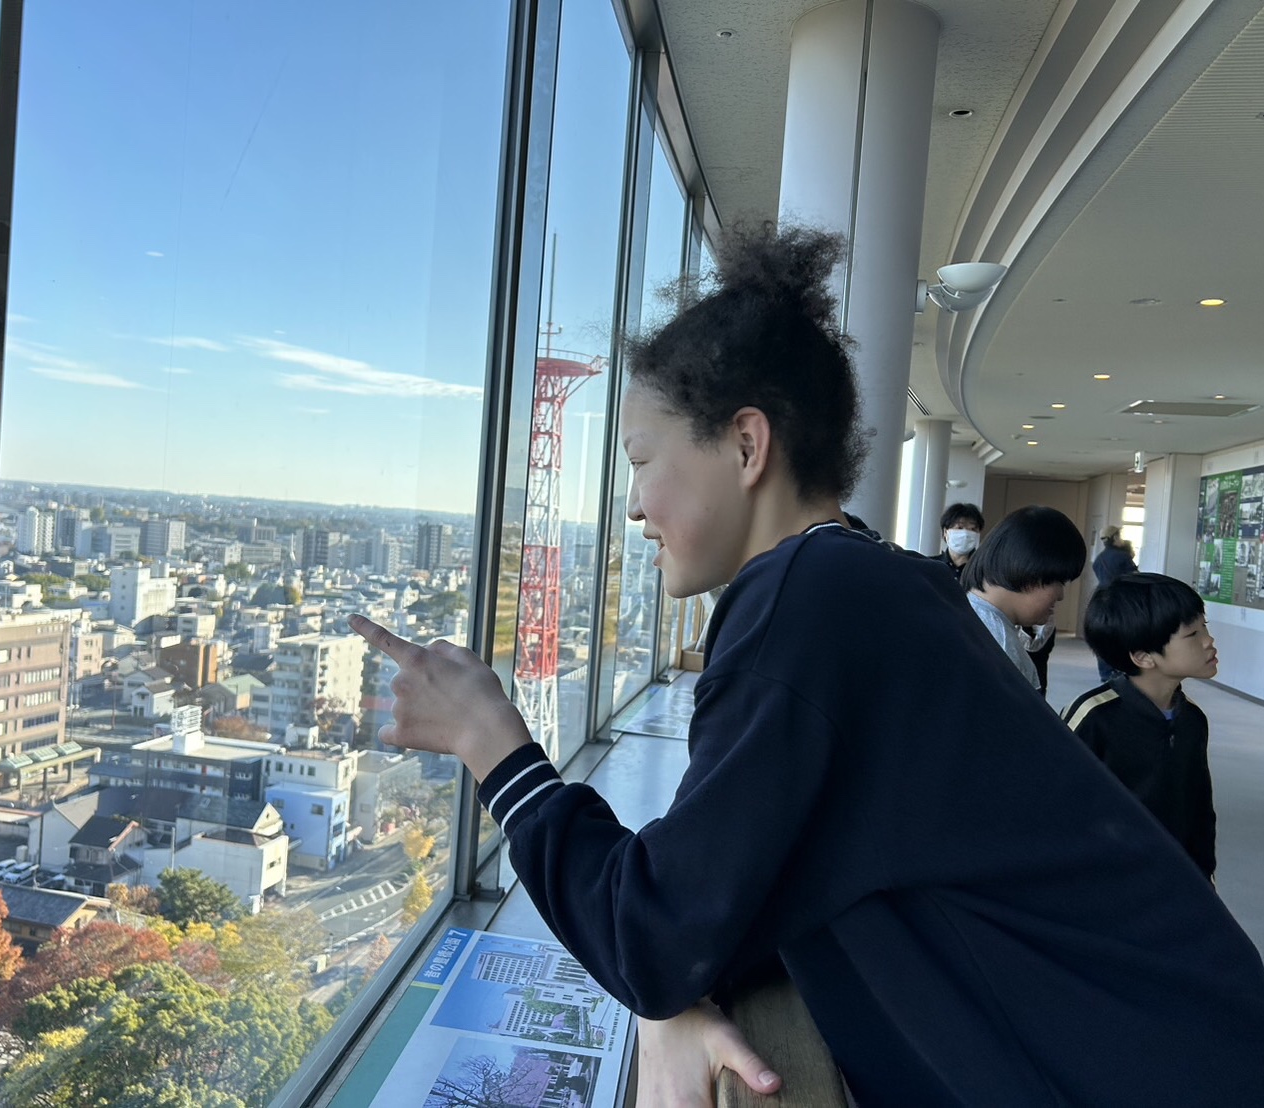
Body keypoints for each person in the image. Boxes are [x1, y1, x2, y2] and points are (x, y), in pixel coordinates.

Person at [348, 225, 1264, 1106]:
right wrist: (679, 994)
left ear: (746, 446)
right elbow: (735, 886)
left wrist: (491, 744)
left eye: (640, 459)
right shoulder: (872, 583)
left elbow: (652, 936)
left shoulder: (803, 610)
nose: (631, 505)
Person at [1064, 572, 1219, 878]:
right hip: (1107, 880)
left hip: (1173, 879)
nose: (1209, 641)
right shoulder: (1094, 716)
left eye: (1205, 627)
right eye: (1192, 634)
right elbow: (1058, 806)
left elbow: (1200, 809)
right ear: (1144, 657)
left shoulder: (1192, 719)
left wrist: (1204, 876)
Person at [960, 505, 1085, 689]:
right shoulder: (1000, 648)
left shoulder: (964, 615)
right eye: (1059, 581)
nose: (1061, 595)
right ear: (1030, 570)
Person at [1091, 523, 1139, 680]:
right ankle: (1118, 670)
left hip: (1100, 599)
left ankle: (1105, 673)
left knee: (1103, 636)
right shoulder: (1123, 557)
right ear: (1115, 537)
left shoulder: (1098, 559)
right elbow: (1134, 577)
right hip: (1120, 600)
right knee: (1121, 635)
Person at [931, 502, 983, 580]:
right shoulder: (931, 565)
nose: (965, 534)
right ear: (945, 532)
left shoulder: (984, 569)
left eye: (972, 529)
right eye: (959, 527)